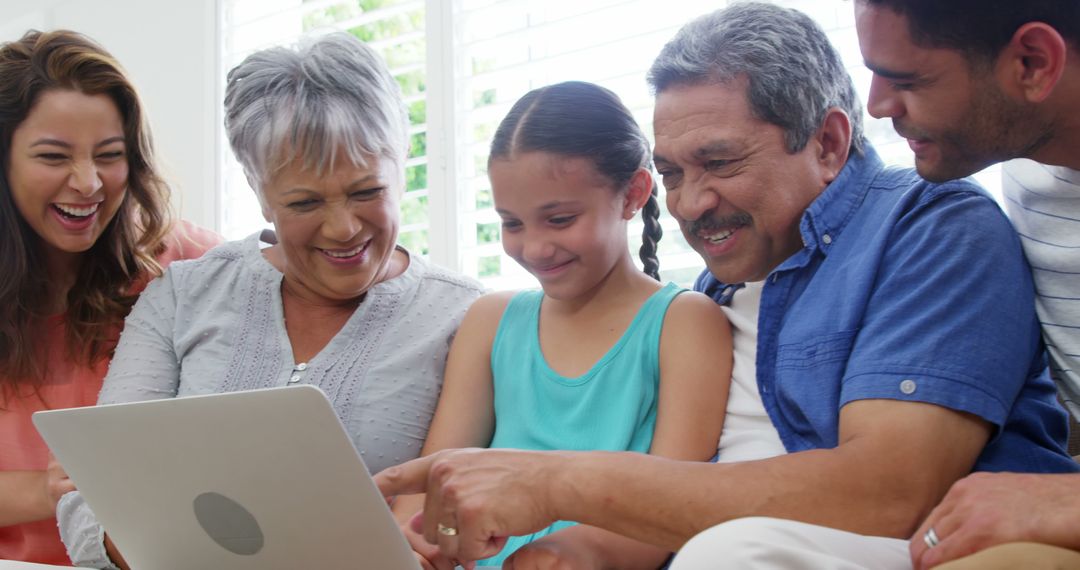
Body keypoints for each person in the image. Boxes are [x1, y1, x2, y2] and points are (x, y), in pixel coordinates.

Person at [375, 3, 1079, 568]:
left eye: (719, 162)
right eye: (675, 174)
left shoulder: (927, 225)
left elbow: (889, 491)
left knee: (732, 553)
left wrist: (553, 482)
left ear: (829, 145)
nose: (687, 204)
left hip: (891, 543)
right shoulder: (709, 297)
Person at [54, 32, 484, 569]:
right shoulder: (183, 294)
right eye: (303, 202)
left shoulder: (466, 318)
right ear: (259, 192)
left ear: (403, 163)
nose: (343, 227)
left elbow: (466, 513)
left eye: (366, 191)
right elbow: (86, 492)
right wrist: (163, 545)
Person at [390, 81, 732, 570]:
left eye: (560, 219)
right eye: (512, 224)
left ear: (633, 194)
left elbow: (671, 509)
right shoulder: (491, 321)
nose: (534, 248)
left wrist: (567, 555)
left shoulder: (684, 323)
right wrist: (414, 542)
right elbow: (432, 484)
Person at [854, 1, 1080, 568]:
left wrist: (1062, 500)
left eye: (907, 79)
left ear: (1032, 63)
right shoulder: (1026, 167)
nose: (877, 106)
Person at [0, 30, 221, 565]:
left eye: (110, 156)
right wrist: (52, 487)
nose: (88, 182)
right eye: (54, 156)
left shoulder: (184, 265)